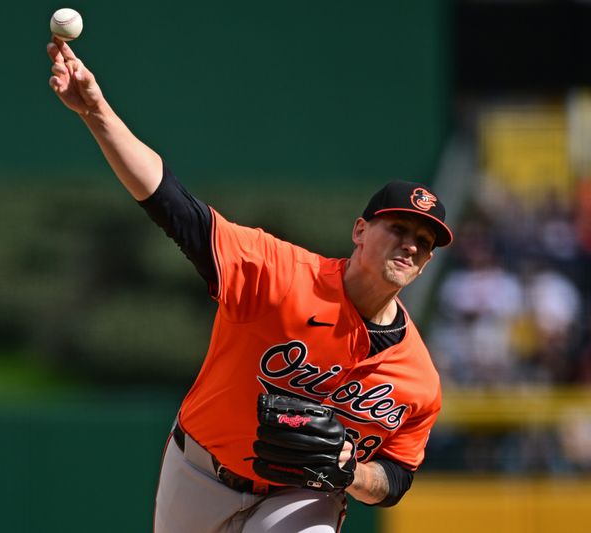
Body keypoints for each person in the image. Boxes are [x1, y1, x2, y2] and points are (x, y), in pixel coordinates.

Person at [47, 37, 453, 533]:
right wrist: (97, 113)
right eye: (399, 229)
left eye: (424, 242)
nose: (411, 245)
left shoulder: (417, 379)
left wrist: (351, 472)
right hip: (200, 468)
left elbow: (396, 477)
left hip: (302, 494)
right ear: (361, 231)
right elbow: (176, 209)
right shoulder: (278, 274)